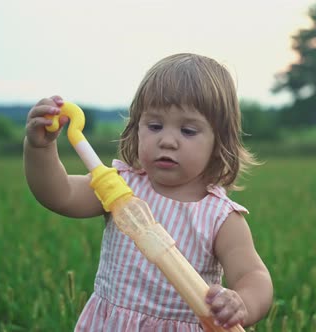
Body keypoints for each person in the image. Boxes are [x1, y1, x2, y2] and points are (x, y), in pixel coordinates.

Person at [24, 53, 274, 331]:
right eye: (154, 126)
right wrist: (41, 149)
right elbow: (59, 195)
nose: (167, 140)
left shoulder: (220, 217)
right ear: (137, 128)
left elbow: (253, 276)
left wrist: (242, 303)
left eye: (188, 131)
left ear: (219, 143)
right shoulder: (121, 187)